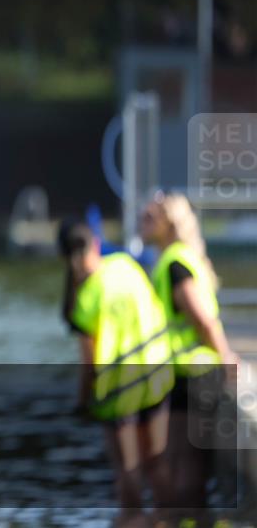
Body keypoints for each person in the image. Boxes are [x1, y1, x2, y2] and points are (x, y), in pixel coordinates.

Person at [59, 220, 174, 528]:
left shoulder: (86, 297)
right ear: (96, 244)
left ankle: (132, 520)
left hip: (119, 392)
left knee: (128, 467)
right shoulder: (125, 265)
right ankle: (169, 520)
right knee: (157, 461)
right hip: (157, 377)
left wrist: (82, 402)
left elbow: (89, 362)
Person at [140, 191, 238, 516]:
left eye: (150, 217)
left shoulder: (174, 264)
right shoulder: (176, 258)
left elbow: (202, 319)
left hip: (194, 376)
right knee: (184, 465)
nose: (142, 221)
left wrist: (227, 357)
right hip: (189, 375)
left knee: (186, 467)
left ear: (169, 225)